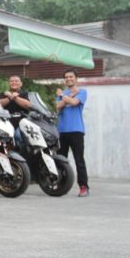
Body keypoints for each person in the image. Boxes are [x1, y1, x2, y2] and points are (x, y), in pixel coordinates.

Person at [56, 69, 89, 197]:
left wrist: (65, 98)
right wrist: (69, 97)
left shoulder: (82, 92)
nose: (69, 79)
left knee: (79, 159)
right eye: (66, 77)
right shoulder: (63, 93)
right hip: (62, 131)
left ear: (76, 78)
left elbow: (75, 103)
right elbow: (58, 106)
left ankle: (83, 187)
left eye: (71, 76)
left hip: (76, 130)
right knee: (61, 160)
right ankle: (61, 185)